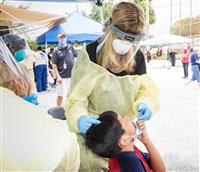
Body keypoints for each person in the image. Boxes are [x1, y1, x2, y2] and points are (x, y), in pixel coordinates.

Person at [65, 2, 159, 171]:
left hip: (122, 138)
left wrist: (146, 103)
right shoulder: (90, 55)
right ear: (110, 29)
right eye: (122, 38)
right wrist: (79, 118)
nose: (125, 46)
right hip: (95, 136)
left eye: (131, 41)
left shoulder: (136, 58)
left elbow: (145, 91)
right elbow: (76, 99)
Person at [0, 37, 80, 171]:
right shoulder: (3, 71)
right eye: (19, 49)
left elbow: (30, 88)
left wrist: (32, 99)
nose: (22, 52)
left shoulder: (21, 67)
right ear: (9, 49)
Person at [85, 111, 166, 172]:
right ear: (124, 141)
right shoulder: (132, 165)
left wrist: (147, 141)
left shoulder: (123, 152)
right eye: (125, 120)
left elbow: (160, 169)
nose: (127, 117)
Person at [52, 32, 77, 106]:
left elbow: (78, 57)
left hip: (72, 76)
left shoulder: (71, 48)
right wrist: (58, 77)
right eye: (60, 37)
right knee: (60, 95)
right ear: (58, 39)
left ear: (66, 38)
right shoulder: (56, 51)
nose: (62, 39)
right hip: (62, 77)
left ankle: (70, 109)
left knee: (71, 95)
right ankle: (58, 108)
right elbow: (54, 65)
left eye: (63, 37)